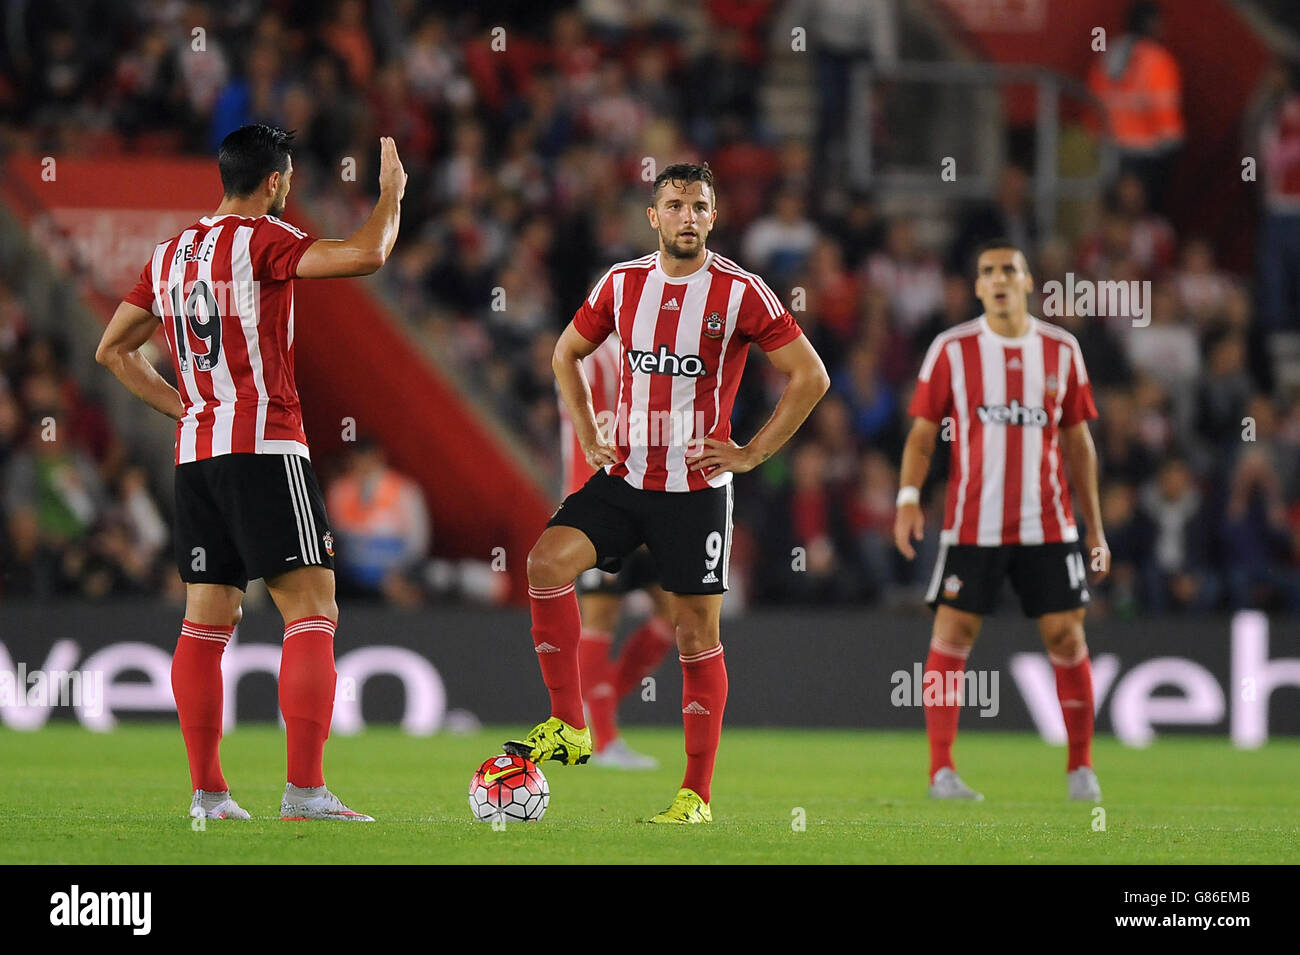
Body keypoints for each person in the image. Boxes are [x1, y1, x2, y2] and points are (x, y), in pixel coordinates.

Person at [95, 124, 406, 822]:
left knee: (206, 618)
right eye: (288, 179)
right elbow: (367, 253)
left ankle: (208, 793)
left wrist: (188, 406)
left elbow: (113, 350)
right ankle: (304, 791)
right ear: (274, 182)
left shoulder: (169, 255)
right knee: (313, 609)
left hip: (197, 455)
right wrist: (390, 195)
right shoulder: (264, 238)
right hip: (265, 446)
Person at [505, 162, 829, 823]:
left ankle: (695, 796)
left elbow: (811, 375)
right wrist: (589, 427)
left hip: (696, 490)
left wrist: (753, 452)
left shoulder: (742, 292)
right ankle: (570, 723)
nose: (687, 215)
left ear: (714, 218)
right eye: (675, 204)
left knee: (693, 634)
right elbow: (566, 353)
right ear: (653, 216)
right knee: (544, 563)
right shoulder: (622, 284)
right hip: (623, 478)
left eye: (699, 206)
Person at [893, 238, 1110, 803]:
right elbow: (922, 431)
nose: (998, 278)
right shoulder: (951, 349)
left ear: (1028, 280)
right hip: (973, 524)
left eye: (1009, 269)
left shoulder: (1062, 350)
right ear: (977, 286)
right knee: (953, 632)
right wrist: (908, 497)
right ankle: (941, 771)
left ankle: (1081, 768)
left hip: (1050, 523)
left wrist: (1096, 527)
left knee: (1066, 634)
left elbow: (1078, 442)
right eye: (987, 270)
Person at [560, 335, 675, 770]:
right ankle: (603, 739)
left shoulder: (652, 351)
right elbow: (585, 432)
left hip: (647, 504)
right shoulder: (590, 359)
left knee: (677, 617)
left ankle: (596, 705)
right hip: (603, 508)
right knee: (601, 616)